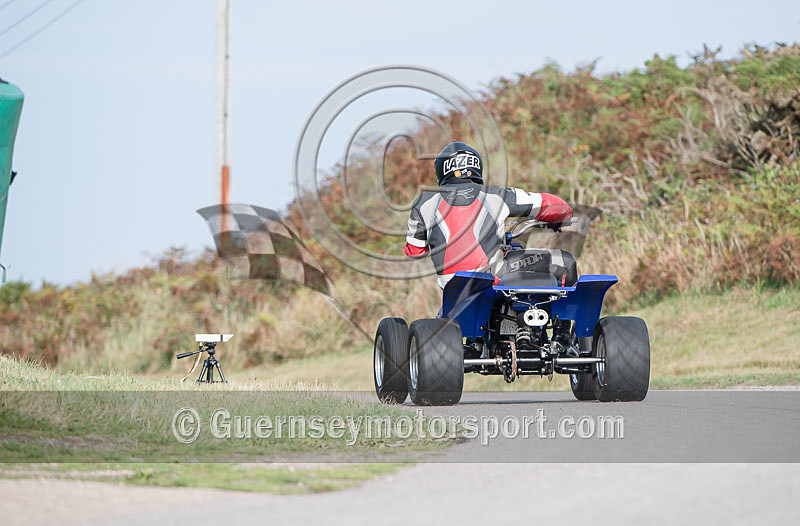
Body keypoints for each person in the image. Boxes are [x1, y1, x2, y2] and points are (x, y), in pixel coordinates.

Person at [404, 141, 573, 288]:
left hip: (451, 285)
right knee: (565, 261)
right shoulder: (498, 195)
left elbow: (414, 251)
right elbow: (558, 207)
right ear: (476, 166)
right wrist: (559, 218)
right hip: (493, 277)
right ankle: (563, 322)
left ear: (441, 171)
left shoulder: (423, 202)